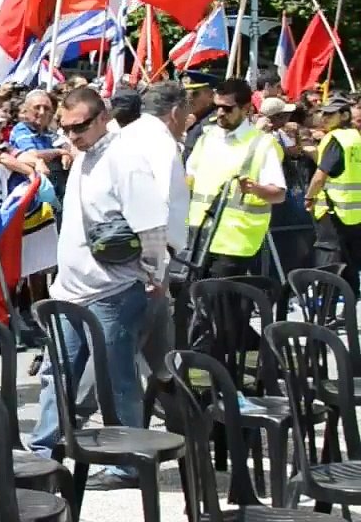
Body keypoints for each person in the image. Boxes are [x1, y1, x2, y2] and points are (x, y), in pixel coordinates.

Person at [29, 87, 171, 490]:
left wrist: (155, 277)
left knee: (116, 377)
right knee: (57, 373)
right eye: (66, 127)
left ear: (103, 116)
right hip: (70, 291)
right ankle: (44, 453)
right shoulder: (85, 157)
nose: (72, 136)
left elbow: (153, 227)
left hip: (114, 291)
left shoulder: (125, 159)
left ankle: (128, 461)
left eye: (80, 127)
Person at [185, 78, 285, 281]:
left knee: (225, 308)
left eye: (227, 108)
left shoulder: (262, 143)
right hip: (199, 236)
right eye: (217, 107)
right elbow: (189, 179)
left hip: (235, 242)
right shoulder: (206, 138)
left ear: (246, 108)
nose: (220, 113)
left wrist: (256, 189)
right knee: (195, 302)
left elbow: (279, 194)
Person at [306, 96, 361, 289]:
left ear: (345, 115)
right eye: (324, 113)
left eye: (331, 114)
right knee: (350, 260)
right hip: (354, 213)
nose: (325, 118)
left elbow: (321, 176)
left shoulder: (335, 138)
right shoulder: (356, 137)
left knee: (329, 257)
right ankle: (350, 306)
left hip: (333, 209)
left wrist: (309, 196)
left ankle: (324, 311)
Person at [181, 72, 219, 162]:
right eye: (185, 93)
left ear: (211, 95)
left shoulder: (214, 123)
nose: (188, 98)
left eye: (194, 94)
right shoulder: (188, 120)